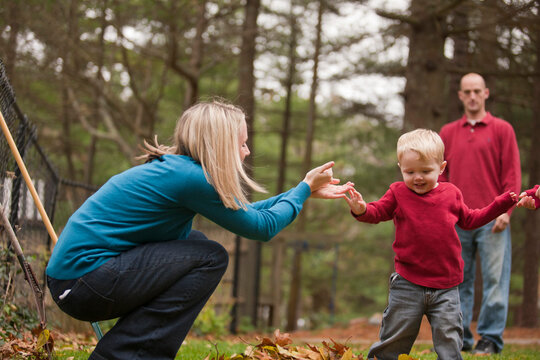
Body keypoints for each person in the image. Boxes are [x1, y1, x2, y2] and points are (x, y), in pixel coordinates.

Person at [46, 100, 353, 360]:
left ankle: (128, 349)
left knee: (197, 244)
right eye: (242, 143)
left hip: (82, 279)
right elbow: (262, 228)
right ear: (219, 145)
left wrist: (300, 193)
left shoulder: (182, 170)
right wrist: (301, 190)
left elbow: (247, 214)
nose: (246, 152)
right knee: (210, 255)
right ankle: (125, 354)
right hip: (83, 283)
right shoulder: (192, 179)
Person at [344, 129, 517, 360]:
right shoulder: (398, 192)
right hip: (407, 283)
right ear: (400, 168)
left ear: (442, 168)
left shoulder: (451, 194)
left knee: (449, 340)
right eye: (410, 171)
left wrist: (502, 203)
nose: (417, 177)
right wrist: (361, 209)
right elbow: (377, 212)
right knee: (395, 337)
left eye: (426, 171)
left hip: (446, 285)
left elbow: (471, 219)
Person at [439, 73, 521, 354]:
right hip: (458, 219)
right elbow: (441, 176)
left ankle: (490, 338)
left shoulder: (502, 129)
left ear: (486, 93)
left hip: (493, 220)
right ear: (460, 96)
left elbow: (511, 174)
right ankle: (459, 338)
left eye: (477, 91)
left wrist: (506, 211)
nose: (472, 96)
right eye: (467, 92)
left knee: (496, 281)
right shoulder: (448, 132)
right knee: (457, 281)